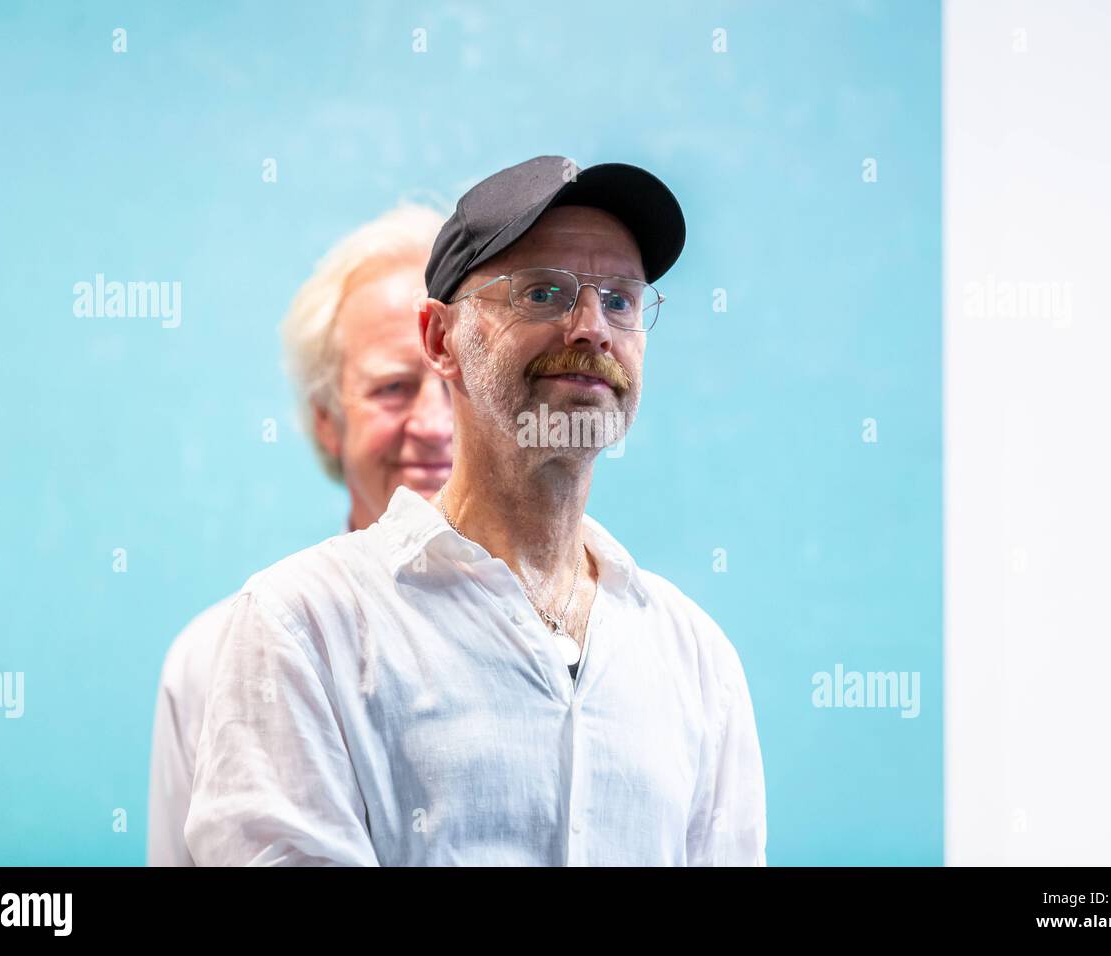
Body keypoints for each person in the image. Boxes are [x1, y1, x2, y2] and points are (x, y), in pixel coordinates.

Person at [184, 155, 767, 865]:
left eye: (620, 299)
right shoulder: (302, 626)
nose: (592, 327)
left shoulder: (695, 659)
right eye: (544, 293)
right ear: (440, 340)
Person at [146, 205, 452, 866]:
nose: (433, 424)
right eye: (393, 388)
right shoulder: (213, 658)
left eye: (457, 381)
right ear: (326, 422)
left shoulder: (590, 647)